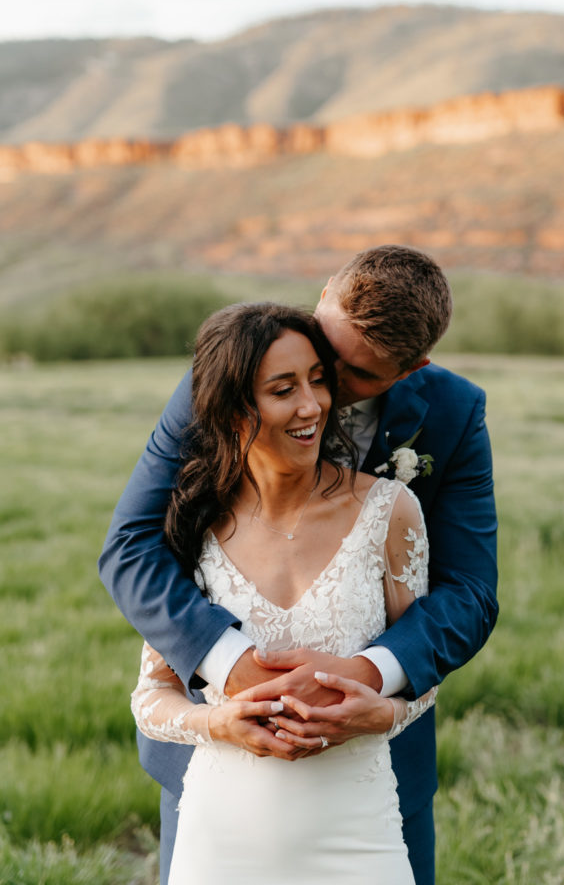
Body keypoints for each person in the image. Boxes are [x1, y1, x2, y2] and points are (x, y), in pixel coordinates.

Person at [99, 245, 498, 885]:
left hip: (372, 778)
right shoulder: (232, 375)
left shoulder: (452, 414)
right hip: (218, 773)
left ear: (409, 370)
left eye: (353, 374)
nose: (320, 391)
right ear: (322, 300)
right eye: (323, 351)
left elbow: (471, 592)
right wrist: (231, 666)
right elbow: (132, 545)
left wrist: (372, 673)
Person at [131, 302, 436, 883]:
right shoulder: (192, 524)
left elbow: (425, 672)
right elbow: (151, 696)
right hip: (221, 834)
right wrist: (215, 724)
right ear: (234, 408)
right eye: (283, 389)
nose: (312, 405)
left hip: (359, 831)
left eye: (318, 381)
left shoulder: (390, 511)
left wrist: (385, 711)